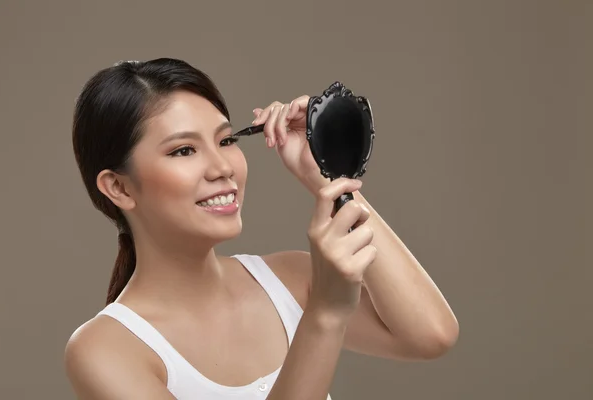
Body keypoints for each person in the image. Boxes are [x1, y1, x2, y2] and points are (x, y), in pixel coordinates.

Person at [64, 58, 459, 400]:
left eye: (227, 139)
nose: (222, 168)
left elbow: (431, 334)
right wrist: (324, 312)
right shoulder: (106, 350)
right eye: (184, 150)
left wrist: (324, 174)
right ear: (118, 187)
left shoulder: (288, 279)